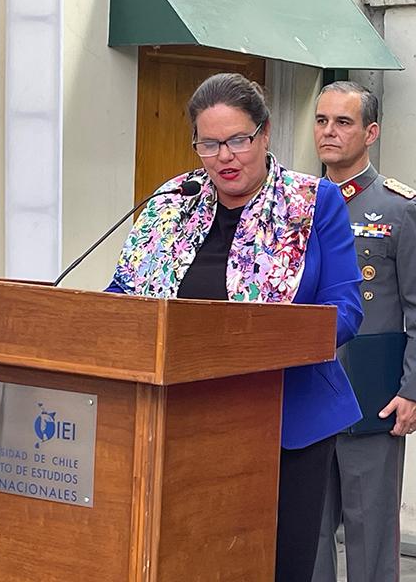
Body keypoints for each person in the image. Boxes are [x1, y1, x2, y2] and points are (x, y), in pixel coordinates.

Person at [106, 72, 364, 582]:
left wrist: (258, 342)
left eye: (238, 140)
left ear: (264, 134)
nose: (225, 156)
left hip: (288, 421)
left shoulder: (312, 203)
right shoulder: (170, 204)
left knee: (275, 567)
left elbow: (346, 308)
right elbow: (122, 296)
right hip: (183, 421)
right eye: (209, 144)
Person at [311, 81, 416, 582]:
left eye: (343, 122)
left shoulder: (401, 209)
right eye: (322, 120)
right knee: (307, 532)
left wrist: (415, 392)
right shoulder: (297, 205)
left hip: (372, 396)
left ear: (371, 132)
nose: (329, 132)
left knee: (370, 535)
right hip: (305, 390)